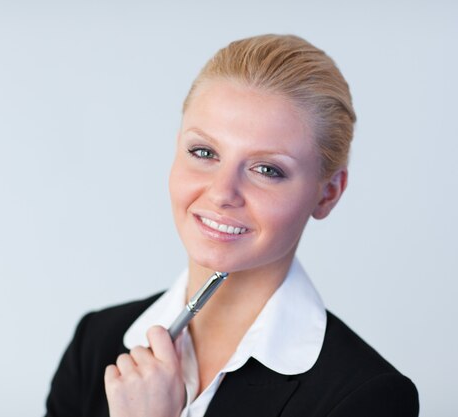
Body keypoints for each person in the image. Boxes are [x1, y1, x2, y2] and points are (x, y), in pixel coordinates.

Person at [45, 34, 419, 417]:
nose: (223, 192)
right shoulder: (95, 343)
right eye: (204, 152)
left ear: (327, 194)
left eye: (267, 169)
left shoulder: (366, 396)